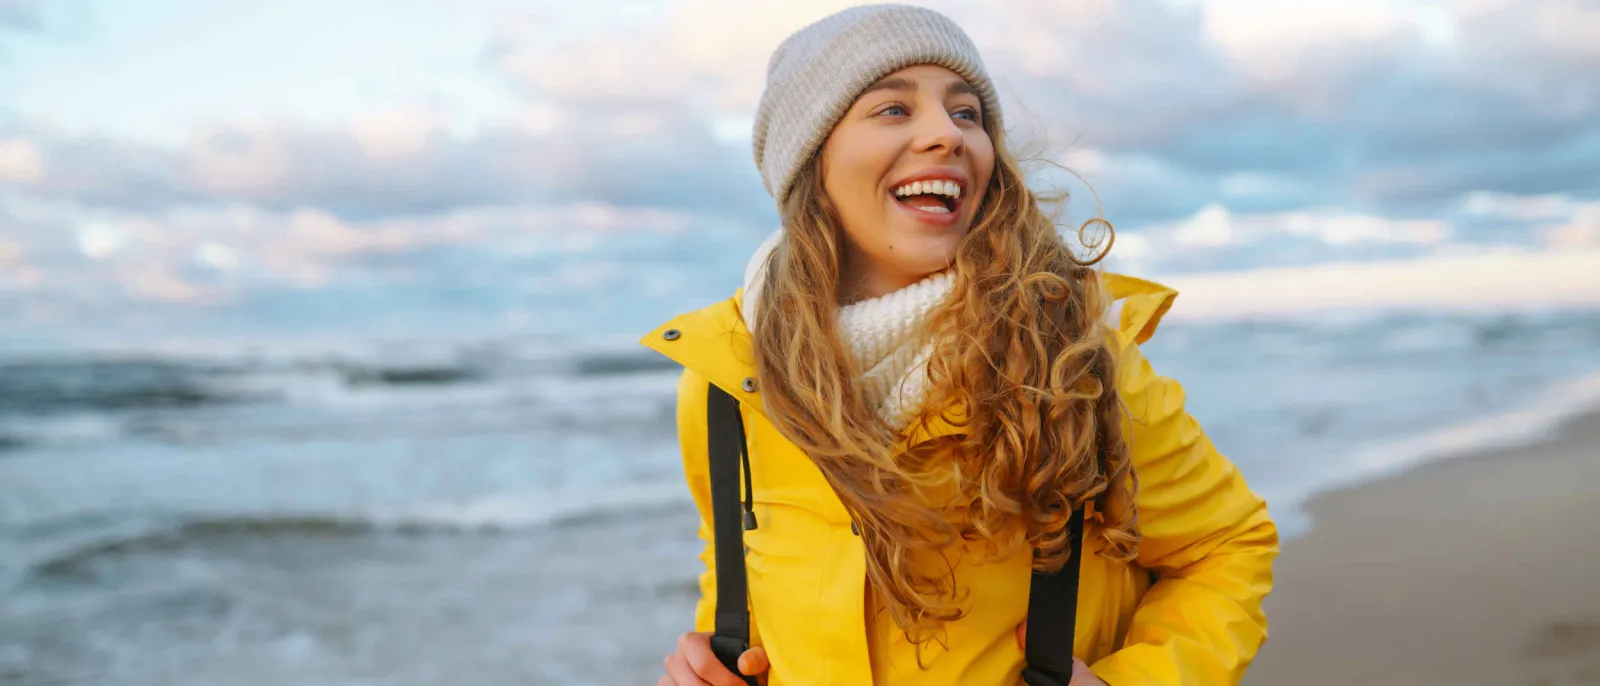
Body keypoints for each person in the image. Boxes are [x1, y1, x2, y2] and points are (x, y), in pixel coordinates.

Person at [641, 5, 1277, 685]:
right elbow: (735, 564)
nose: (947, 134)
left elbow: (1225, 546)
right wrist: (716, 656)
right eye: (892, 109)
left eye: (968, 113)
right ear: (810, 156)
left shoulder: (1074, 360)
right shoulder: (727, 380)